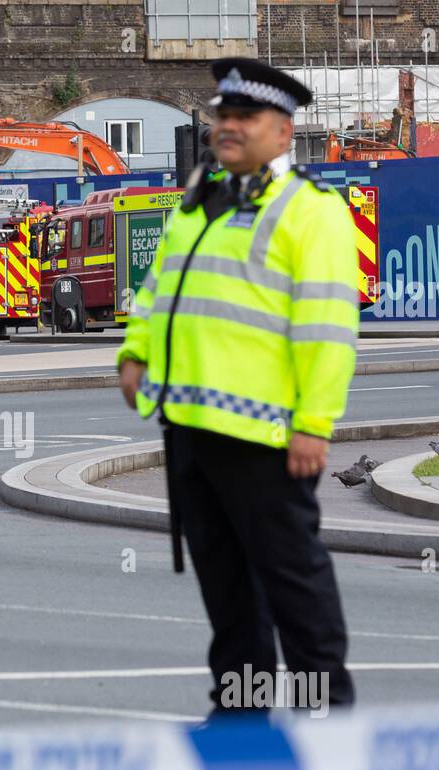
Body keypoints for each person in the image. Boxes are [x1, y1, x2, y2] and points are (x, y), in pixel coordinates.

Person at [117, 58, 358, 717]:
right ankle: (241, 712)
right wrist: (135, 353)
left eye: (244, 117)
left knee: (292, 585)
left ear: (282, 133)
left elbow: (328, 327)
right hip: (189, 426)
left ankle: (327, 714)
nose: (228, 126)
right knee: (228, 591)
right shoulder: (202, 199)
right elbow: (159, 286)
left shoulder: (311, 212)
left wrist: (315, 422)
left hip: (264, 435)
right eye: (223, 114)